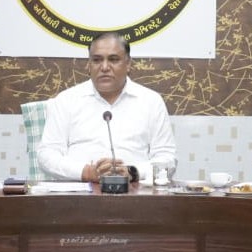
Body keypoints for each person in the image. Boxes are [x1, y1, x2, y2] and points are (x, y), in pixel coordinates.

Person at [37, 32, 177, 182]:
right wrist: (86, 172)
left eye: (113, 59)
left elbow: (167, 159)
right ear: (89, 65)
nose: (104, 67)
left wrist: (133, 172)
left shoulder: (151, 101)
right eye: (97, 60)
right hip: (79, 191)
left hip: (135, 191)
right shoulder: (66, 100)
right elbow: (46, 155)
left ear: (128, 64)